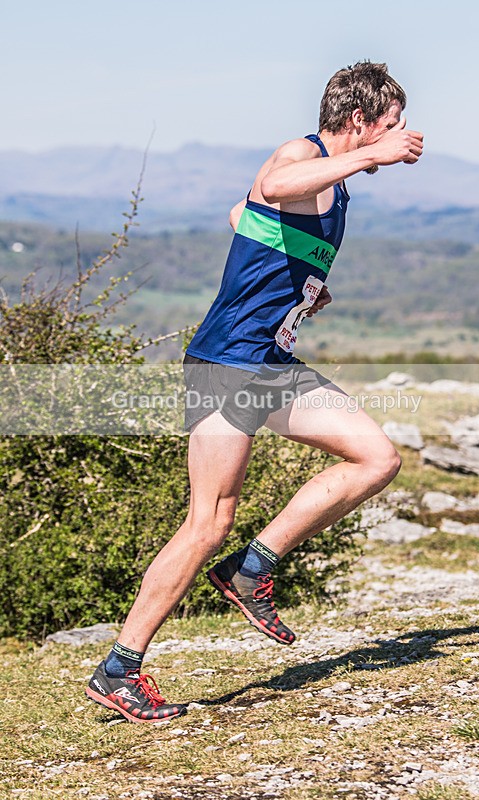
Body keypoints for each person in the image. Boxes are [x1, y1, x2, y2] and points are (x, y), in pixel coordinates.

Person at [86, 61, 423, 722]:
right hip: (226, 366)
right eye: (391, 125)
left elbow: (244, 206)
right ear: (359, 121)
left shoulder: (328, 183)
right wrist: (368, 158)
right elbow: (271, 182)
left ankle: (252, 568)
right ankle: (118, 669)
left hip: (266, 362)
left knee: (376, 458)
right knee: (207, 520)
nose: (402, 136)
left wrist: (300, 277)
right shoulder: (304, 155)